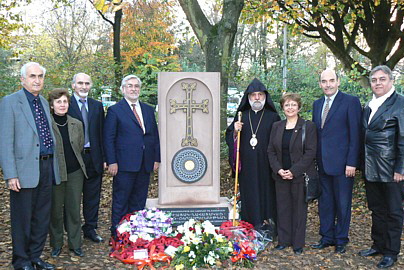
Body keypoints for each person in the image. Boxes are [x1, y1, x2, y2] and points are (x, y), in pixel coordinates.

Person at [0, 62, 60, 270]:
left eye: (40, 76)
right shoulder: (10, 102)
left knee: (42, 217)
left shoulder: (43, 102)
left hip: (46, 167)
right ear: (22, 79)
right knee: (22, 219)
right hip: (23, 171)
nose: (37, 80)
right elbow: (5, 141)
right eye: (32, 76)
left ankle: (35, 256)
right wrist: (10, 175)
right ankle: (21, 260)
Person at [311, 69, 362, 254]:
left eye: (331, 80)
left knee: (342, 203)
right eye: (324, 81)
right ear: (320, 84)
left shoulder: (350, 102)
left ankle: (341, 239)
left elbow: (356, 135)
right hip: (322, 163)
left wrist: (352, 162)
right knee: (325, 202)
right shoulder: (317, 105)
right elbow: (318, 134)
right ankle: (327, 237)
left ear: (338, 81)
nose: (328, 84)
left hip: (343, 165)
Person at [358, 65, 404, 269]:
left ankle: (391, 252)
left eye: (382, 79)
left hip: (391, 169)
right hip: (371, 167)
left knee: (393, 212)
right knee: (376, 209)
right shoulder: (369, 105)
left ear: (391, 80)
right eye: (374, 80)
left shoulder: (400, 104)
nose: (377, 83)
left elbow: (403, 138)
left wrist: (401, 168)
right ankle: (378, 244)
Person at [104, 74, 160, 238]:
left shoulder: (148, 109)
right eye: (130, 86)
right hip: (124, 164)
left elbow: (154, 136)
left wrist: (156, 158)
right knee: (121, 200)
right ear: (123, 89)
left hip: (145, 163)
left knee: (139, 201)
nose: (133, 89)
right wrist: (112, 161)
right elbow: (109, 138)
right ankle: (118, 234)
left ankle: (136, 233)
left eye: (136, 86)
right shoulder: (115, 110)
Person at [225, 78, 280, 232]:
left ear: (265, 97)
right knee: (249, 193)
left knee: (267, 193)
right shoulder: (242, 115)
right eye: (253, 95)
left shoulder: (272, 117)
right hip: (248, 165)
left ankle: (268, 224)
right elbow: (229, 137)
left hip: (266, 165)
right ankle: (249, 224)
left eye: (260, 95)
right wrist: (235, 131)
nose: (257, 98)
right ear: (248, 97)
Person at [267, 93, 317, 255]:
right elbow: (271, 151)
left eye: (293, 105)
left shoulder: (307, 126)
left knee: (298, 209)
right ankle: (283, 240)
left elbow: (310, 152)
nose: (290, 108)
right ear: (282, 107)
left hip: (300, 175)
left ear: (299, 107)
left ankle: (297, 243)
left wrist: (293, 171)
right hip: (280, 175)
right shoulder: (277, 126)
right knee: (283, 208)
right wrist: (279, 170)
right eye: (287, 105)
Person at [48, 89, 88, 258]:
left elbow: (79, 147)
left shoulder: (76, 123)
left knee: (73, 210)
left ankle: (75, 244)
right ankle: (56, 244)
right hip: (55, 173)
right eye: (58, 102)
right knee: (55, 211)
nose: (62, 105)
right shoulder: (46, 123)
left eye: (65, 102)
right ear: (52, 105)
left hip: (75, 173)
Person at [68, 73, 105, 243]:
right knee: (72, 198)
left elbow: (102, 133)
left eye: (87, 83)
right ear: (73, 85)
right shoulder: (65, 104)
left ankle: (90, 228)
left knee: (92, 196)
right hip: (74, 158)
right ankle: (72, 232)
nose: (84, 86)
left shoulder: (97, 106)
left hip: (94, 157)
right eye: (80, 83)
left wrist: (104, 158)